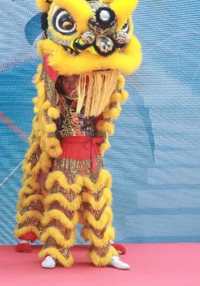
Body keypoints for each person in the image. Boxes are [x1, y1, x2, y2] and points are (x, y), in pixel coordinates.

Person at [37, 75, 130, 270]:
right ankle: (54, 252)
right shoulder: (56, 102)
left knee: (97, 206)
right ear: (60, 83)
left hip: (91, 157)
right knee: (62, 205)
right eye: (66, 81)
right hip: (66, 156)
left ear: (83, 81)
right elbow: (47, 80)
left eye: (75, 80)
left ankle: (105, 252)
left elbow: (112, 89)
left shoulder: (94, 100)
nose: (71, 84)